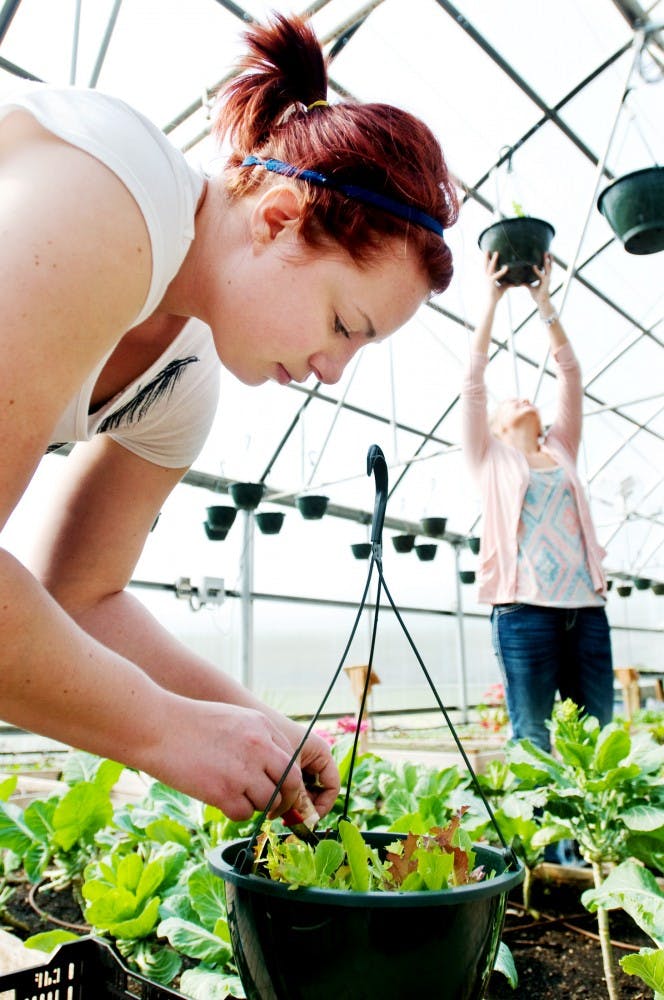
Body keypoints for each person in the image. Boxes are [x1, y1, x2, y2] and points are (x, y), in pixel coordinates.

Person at [0, 13, 458, 822]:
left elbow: (82, 598)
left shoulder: (181, 384)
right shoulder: (116, 200)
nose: (330, 370)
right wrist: (165, 730)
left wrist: (258, 731)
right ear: (278, 219)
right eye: (345, 326)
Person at [461, 251, 614, 752]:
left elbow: (569, 374)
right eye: (511, 402)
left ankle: (589, 835)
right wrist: (492, 300)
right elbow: (473, 384)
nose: (523, 397)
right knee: (533, 738)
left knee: (593, 740)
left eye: (529, 399)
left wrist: (543, 301)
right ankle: (547, 834)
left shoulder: (562, 448)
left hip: (586, 609)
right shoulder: (490, 457)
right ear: (497, 424)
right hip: (524, 613)